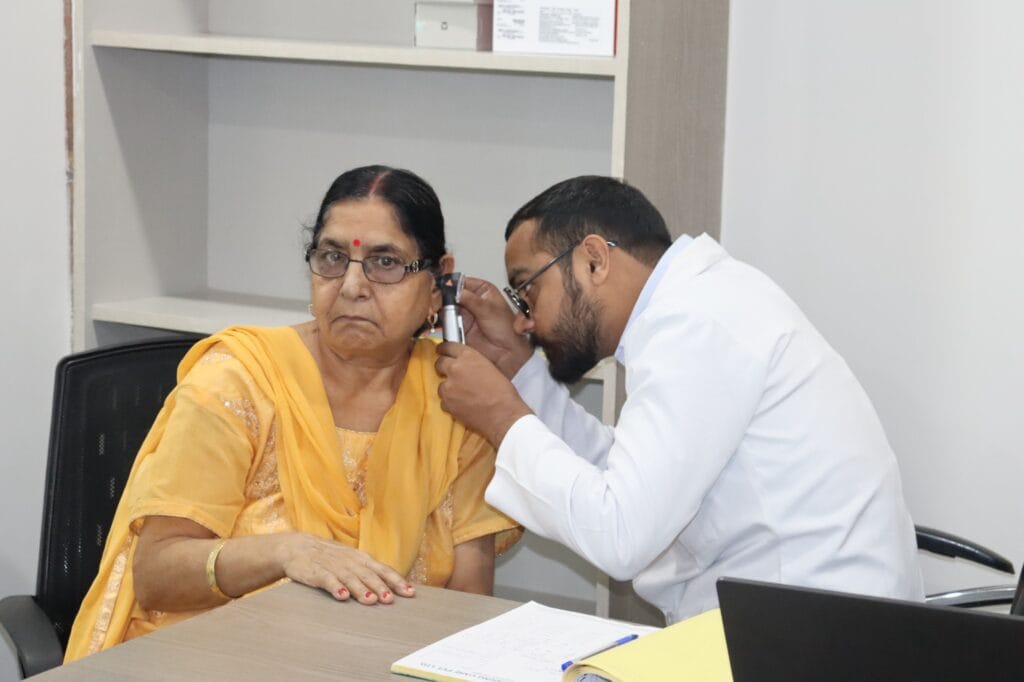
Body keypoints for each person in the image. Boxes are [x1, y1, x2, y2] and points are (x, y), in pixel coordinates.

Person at [65, 165, 520, 661]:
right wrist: (285, 553)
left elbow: (467, 607)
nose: (351, 286)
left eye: (385, 263)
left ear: (437, 283)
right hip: (209, 660)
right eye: (331, 257)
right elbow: (156, 574)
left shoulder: (457, 399)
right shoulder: (239, 381)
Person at [435, 175, 924, 624]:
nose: (524, 321)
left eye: (526, 290)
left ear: (594, 260)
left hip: (811, 643)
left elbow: (619, 535)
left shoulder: (696, 322)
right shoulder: (698, 304)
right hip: (795, 622)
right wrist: (517, 372)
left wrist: (501, 415)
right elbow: (622, 476)